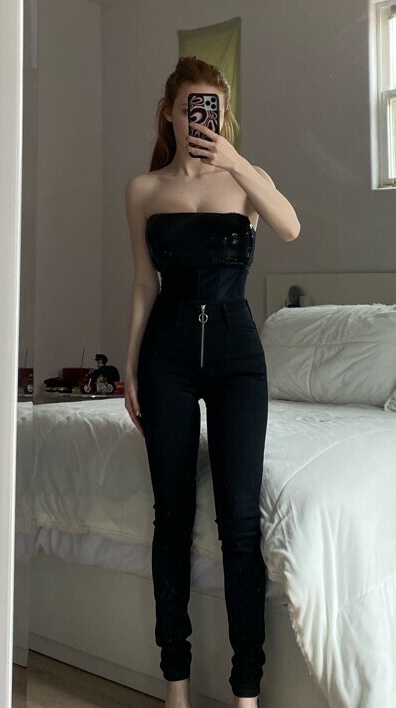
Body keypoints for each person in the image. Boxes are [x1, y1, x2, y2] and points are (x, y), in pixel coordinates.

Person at [123, 56, 300, 708]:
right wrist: (130, 365)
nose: (202, 120)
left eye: (214, 110)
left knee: (239, 523)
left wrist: (236, 162)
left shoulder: (247, 182)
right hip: (166, 355)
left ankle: (246, 693)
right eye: (192, 108)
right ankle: (176, 688)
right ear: (170, 113)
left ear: (224, 118)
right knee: (171, 519)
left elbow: (291, 226)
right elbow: (144, 285)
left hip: (235, 357)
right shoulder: (144, 189)